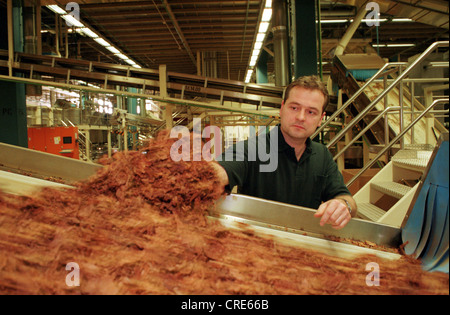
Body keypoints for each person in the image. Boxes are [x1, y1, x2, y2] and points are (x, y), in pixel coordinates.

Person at [213, 75, 357, 230]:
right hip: (254, 242)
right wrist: (203, 172)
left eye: (311, 112)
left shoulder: (322, 155)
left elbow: (346, 198)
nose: (301, 117)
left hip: (305, 241)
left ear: (321, 118)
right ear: (282, 108)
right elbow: (219, 172)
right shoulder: (253, 148)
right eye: (294, 108)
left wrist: (344, 205)